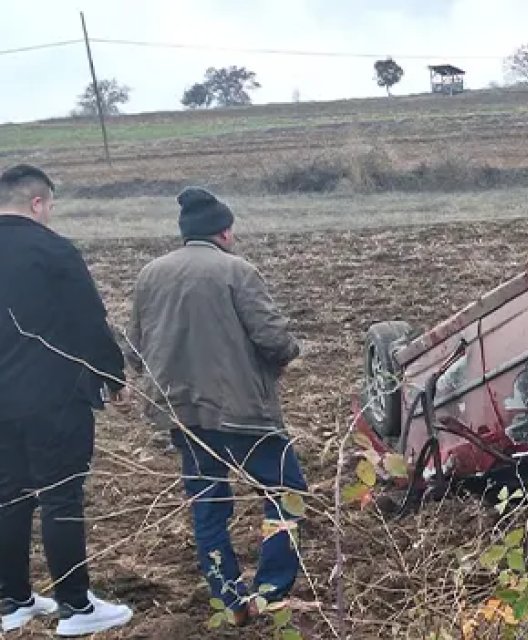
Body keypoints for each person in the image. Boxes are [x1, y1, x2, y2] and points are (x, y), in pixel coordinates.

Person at [127, 187, 306, 625]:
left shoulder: (151, 274)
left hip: (183, 414)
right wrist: (286, 354)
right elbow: (274, 340)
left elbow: (135, 349)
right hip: (241, 411)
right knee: (285, 493)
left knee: (207, 502)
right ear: (224, 232)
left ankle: (229, 598)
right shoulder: (237, 271)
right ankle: (272, 592)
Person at [0, 164, 135, 636]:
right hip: (53, 398)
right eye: (50, 206)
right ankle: (76, 608)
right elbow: (89, 320)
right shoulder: (53, 250)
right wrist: (112, 375)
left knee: (9, 494)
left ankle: (12, 601)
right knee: (61, 497)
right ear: (38, 202)